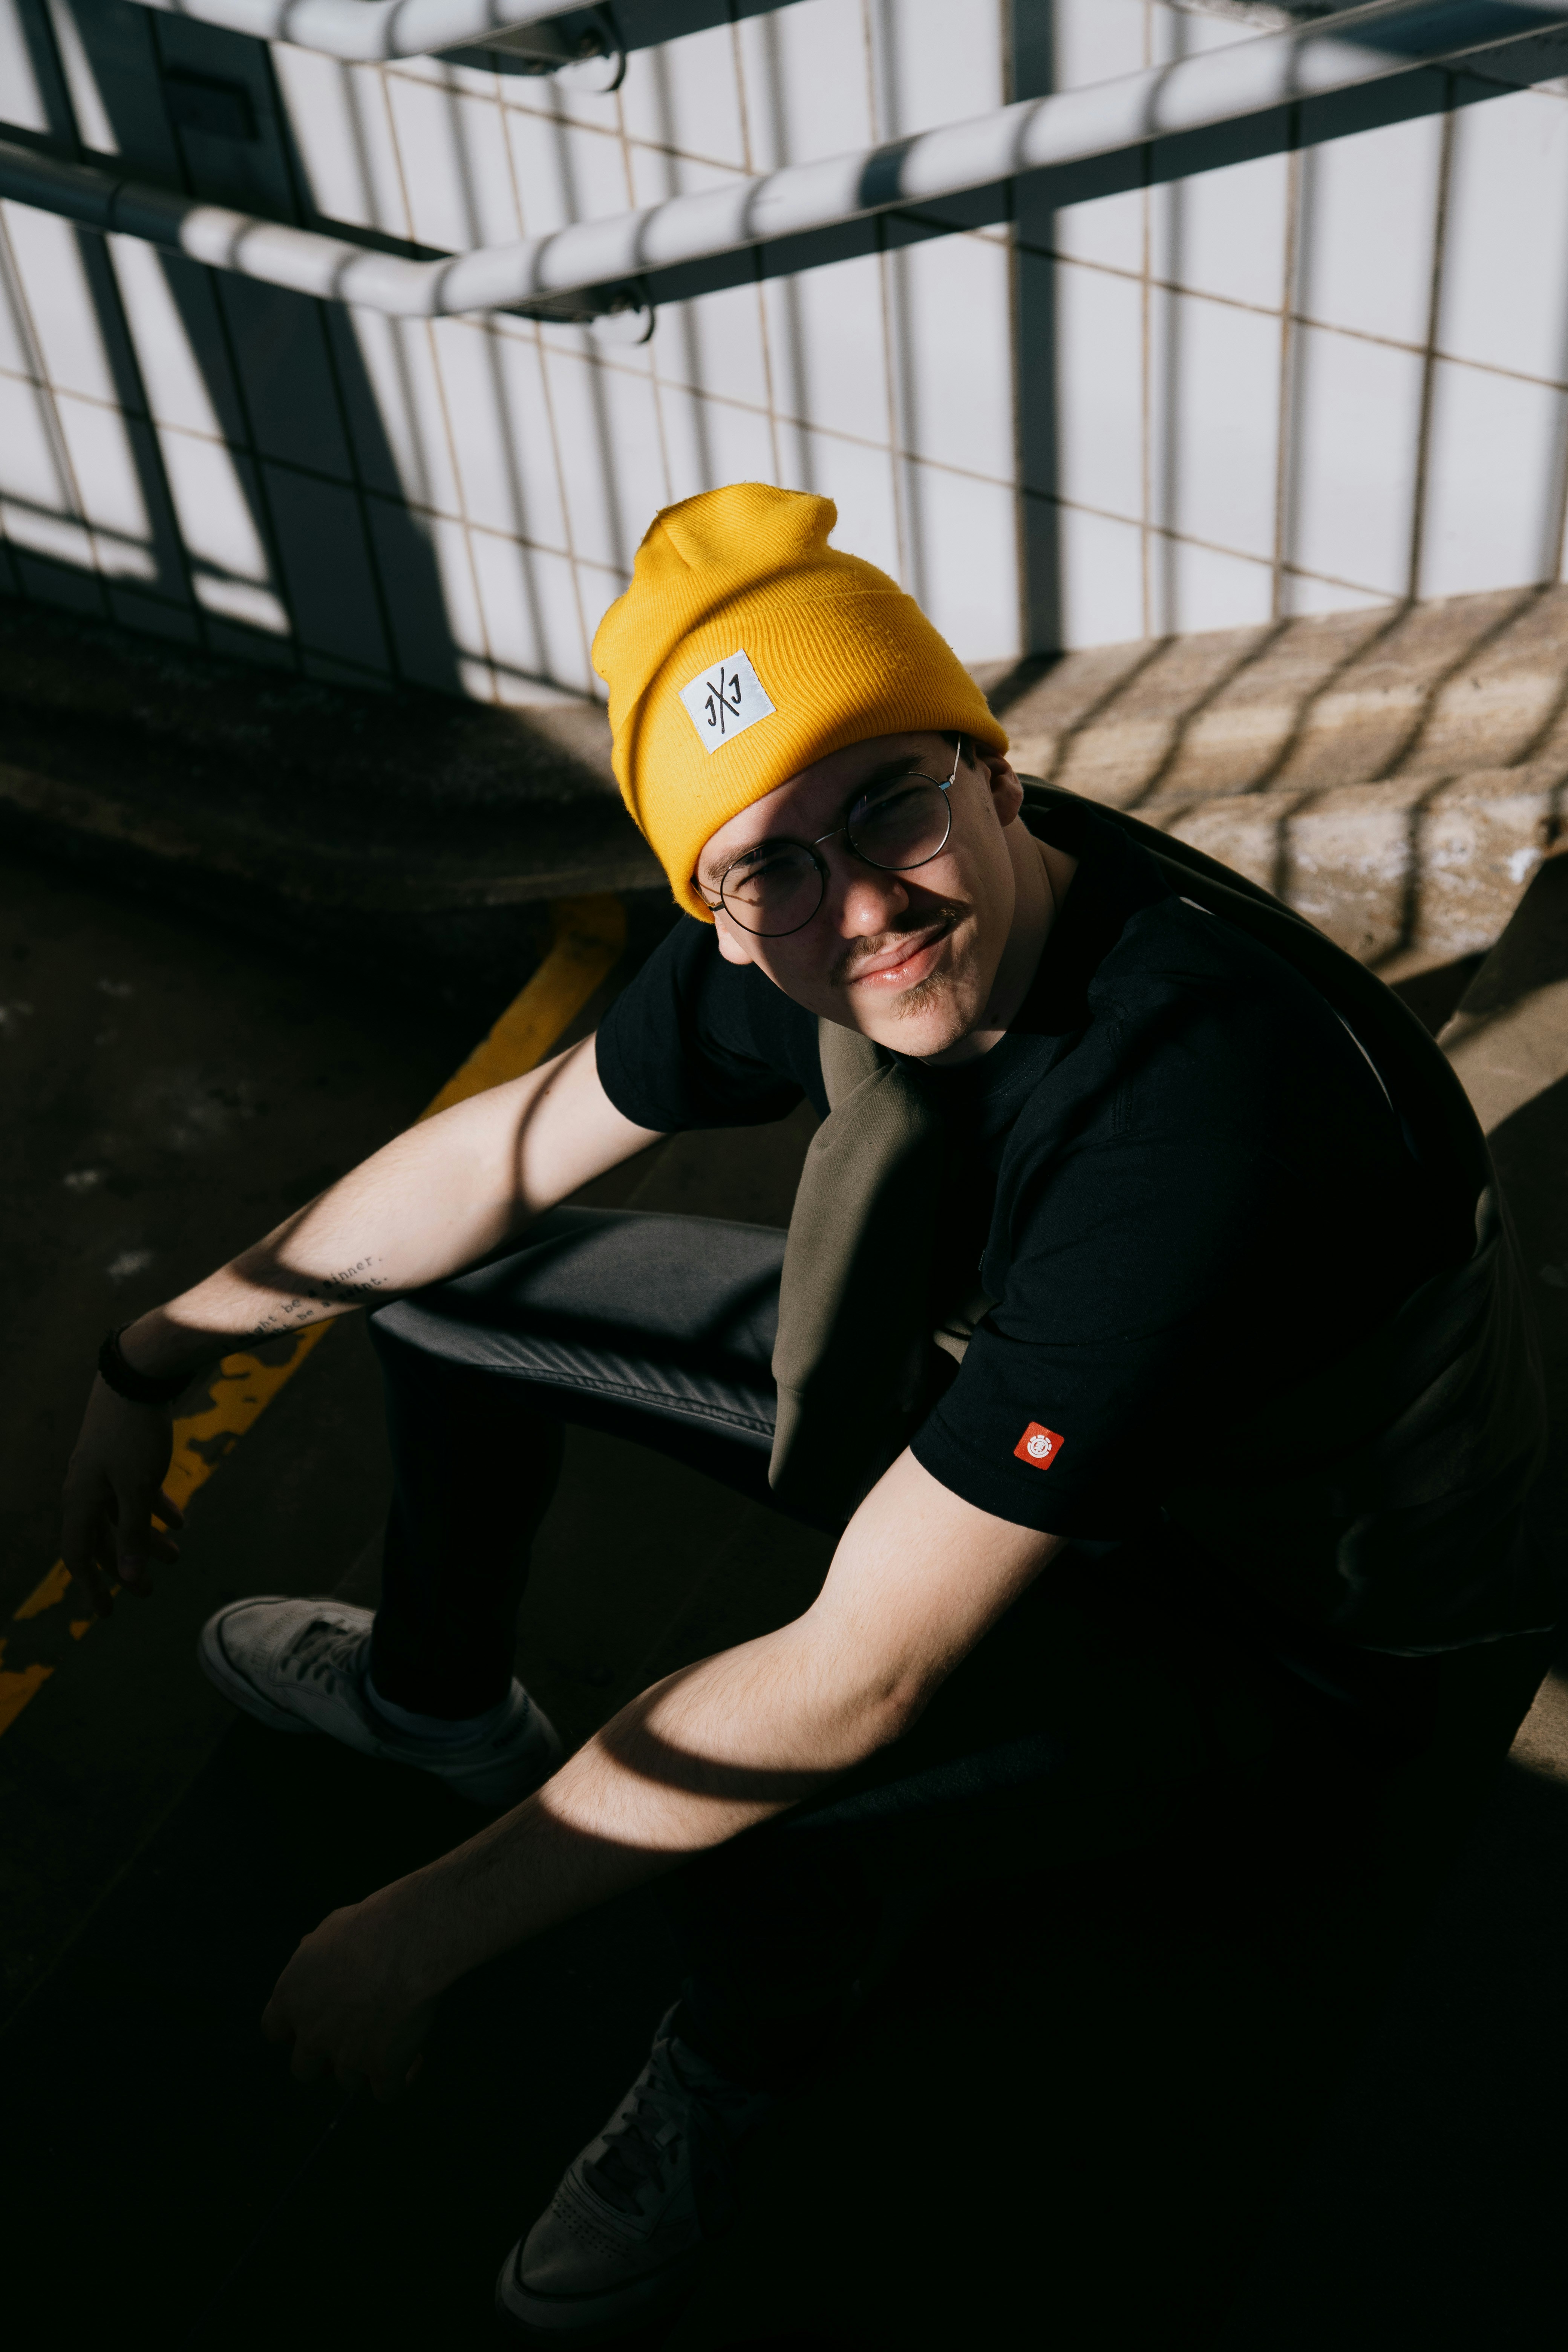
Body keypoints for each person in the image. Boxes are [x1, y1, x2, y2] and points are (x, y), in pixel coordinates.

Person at [61, 484, 1556, 2342]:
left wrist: (415, 1935)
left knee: (762, 1799)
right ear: (711, 900)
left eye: (891, 804)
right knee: (446, 1308)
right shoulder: (813, 920)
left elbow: (861, 1672)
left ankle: (735, 2080)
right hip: (1074, 1405)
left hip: (1287, 1611)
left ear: (991, 773)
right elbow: (497, 1155)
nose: (857, 905)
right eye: (763, 866)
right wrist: (159, 1348)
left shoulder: (1195, 1123)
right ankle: (436, 1704)